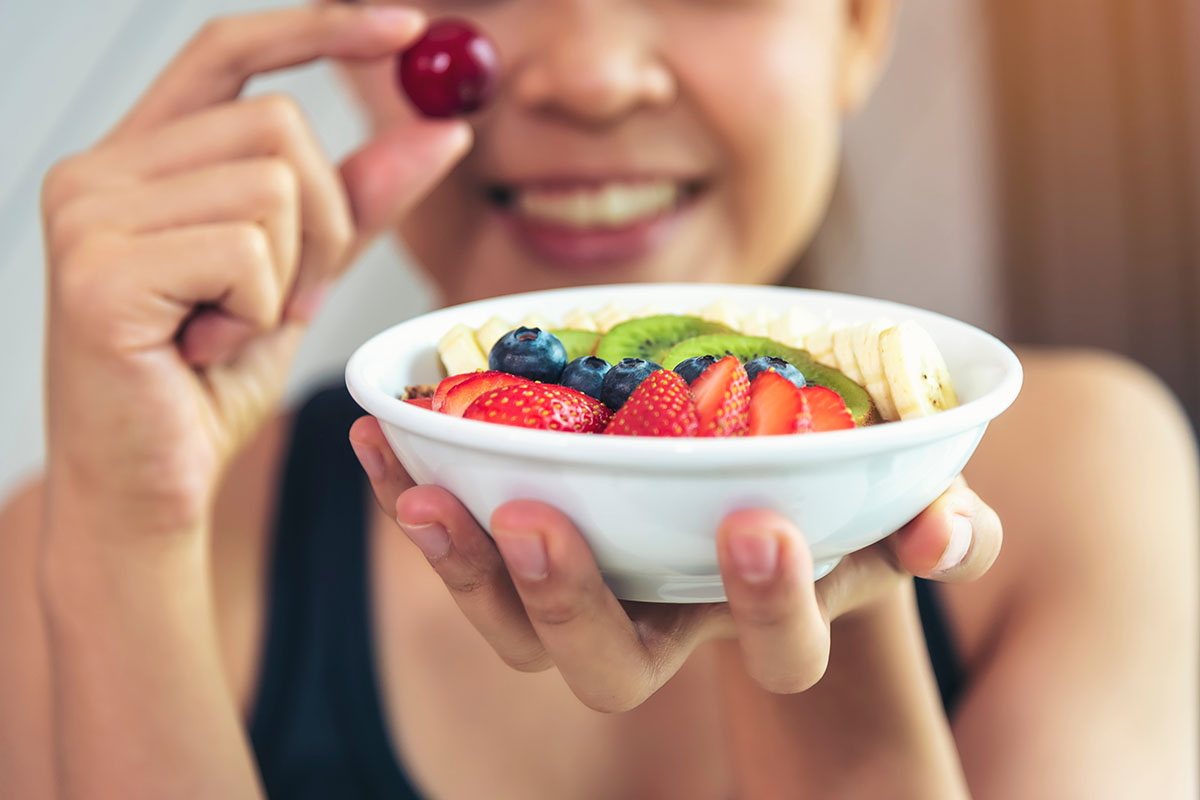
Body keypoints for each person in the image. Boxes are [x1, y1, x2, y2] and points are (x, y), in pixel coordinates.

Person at [1, 1, 1196, 798]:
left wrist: (839, 631)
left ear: (859, 27)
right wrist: (127, 522)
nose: (588, 74)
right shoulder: (80, 546)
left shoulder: (1094, 482)